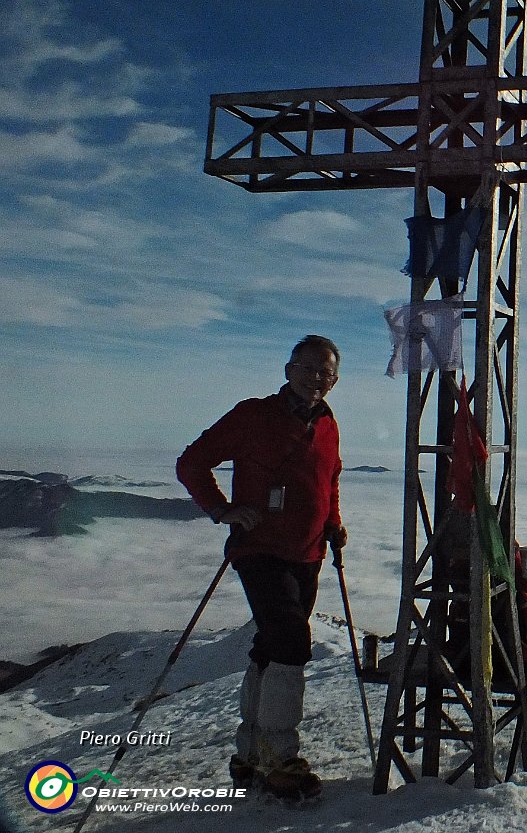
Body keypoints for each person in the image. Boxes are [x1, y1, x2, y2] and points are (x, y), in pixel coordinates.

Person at [176, 335, 347, 801]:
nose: (317, 378)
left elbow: (329, 478)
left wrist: (333, 523)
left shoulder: (328, 424)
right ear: (288, 369)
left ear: (334, 380)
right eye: (308, 368)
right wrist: (222, 509)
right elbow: (192, 463)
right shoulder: (253, 415)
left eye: (326, 372)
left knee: (272, 643)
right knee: (290, 638)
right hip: (260, 548)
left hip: (308, 553)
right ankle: (279, 757)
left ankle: (249, 752)